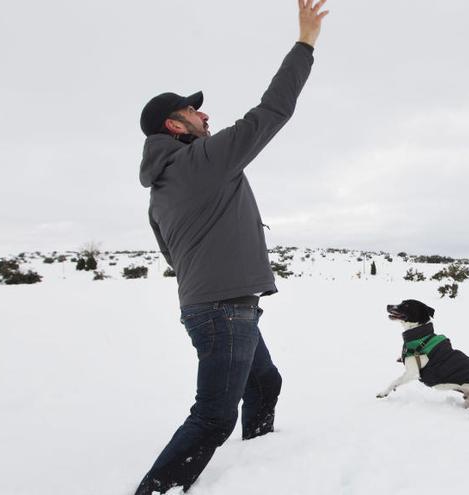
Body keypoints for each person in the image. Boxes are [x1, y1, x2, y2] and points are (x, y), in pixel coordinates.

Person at [134, 1, 328, 493]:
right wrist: (305, 43)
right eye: (192, 110)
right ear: (175, 127)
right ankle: (157, 488)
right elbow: (273, 111)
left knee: (265, 383)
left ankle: (256, 469)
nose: (204, 114)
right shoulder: (202, 160)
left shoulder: (162, 188)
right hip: (223, 312)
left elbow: (170, 253)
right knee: (213, 416)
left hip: (215, 305)